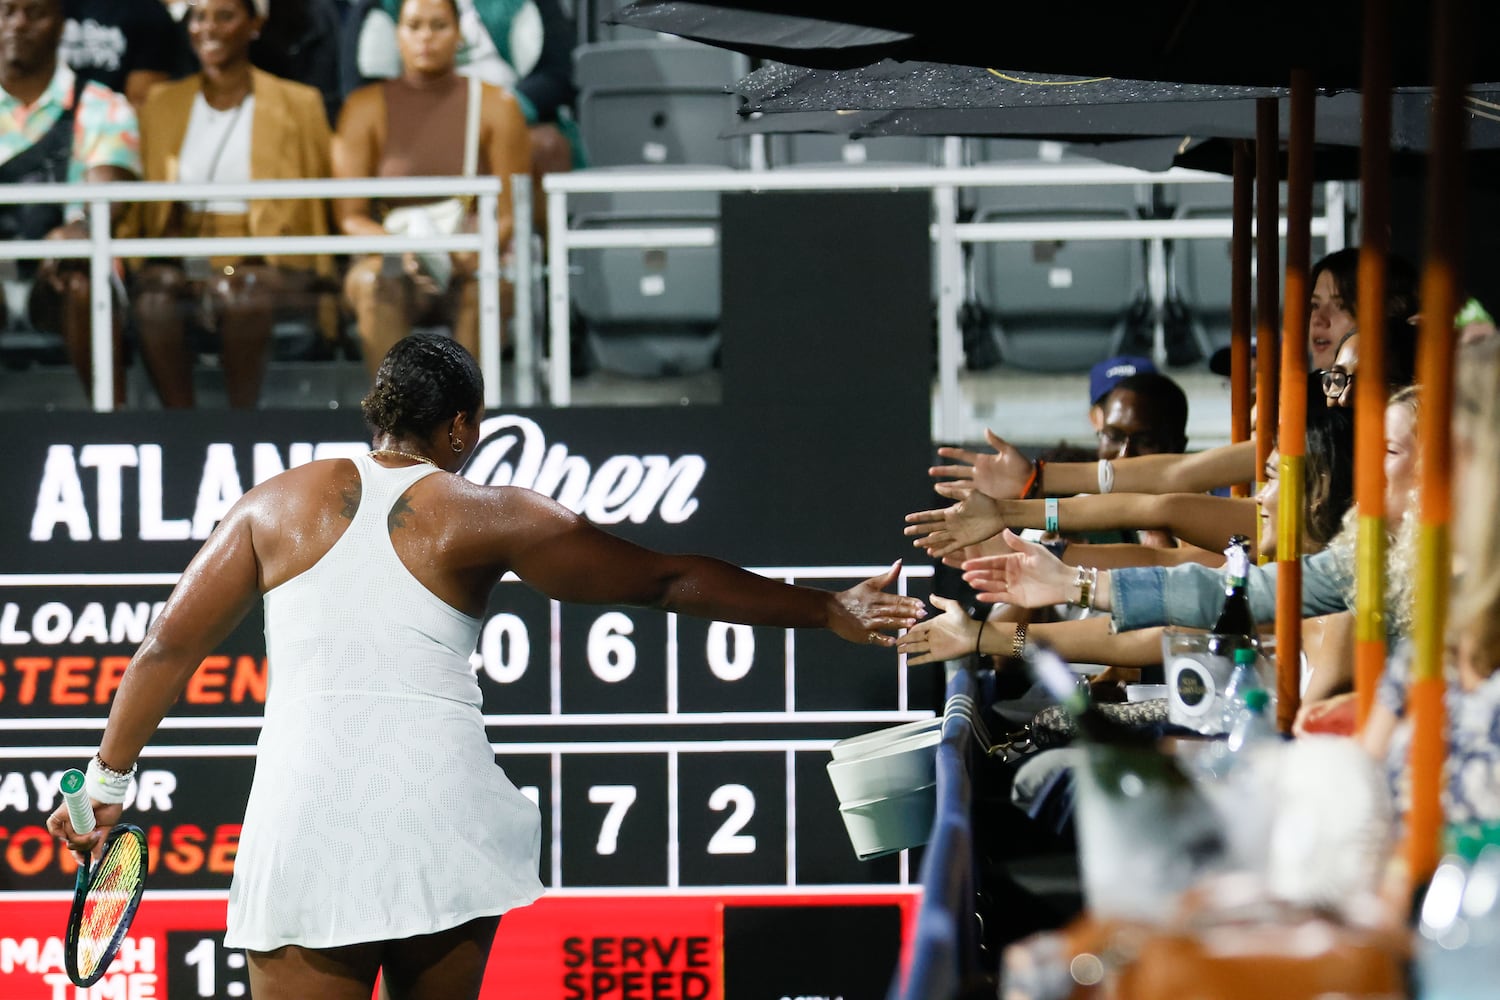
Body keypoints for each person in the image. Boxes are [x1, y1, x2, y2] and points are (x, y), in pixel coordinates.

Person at [45, 333, 925, 1000]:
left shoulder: (272, 505)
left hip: (305, 825)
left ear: (378, 412)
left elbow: (168, 644)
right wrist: (826, 608)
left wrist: (101, 782)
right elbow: (666, 578)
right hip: (441, 824)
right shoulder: (487, 514)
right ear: (461, 426)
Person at [126, 0, 336, 409]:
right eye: (200, 17)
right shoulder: (161, 104)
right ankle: (180, 424)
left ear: (254, 24)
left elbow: (315, 202)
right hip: (185, 252)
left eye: (225, 16)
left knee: (242, 292)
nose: (209, 28)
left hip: (268, 256)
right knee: (154, 296)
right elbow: (148, 212)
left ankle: (242, 423)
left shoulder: (299, 103)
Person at [335, 0, 532, 379]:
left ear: (459, 34)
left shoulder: (498, 106)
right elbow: (351, 217)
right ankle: (392, 418)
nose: (426, 37)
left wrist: (469, 255)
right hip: (394, 255)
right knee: (373, 283)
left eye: (438, 26)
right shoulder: (364, 107)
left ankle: (465, 417)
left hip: (469, 257)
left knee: (489, 287)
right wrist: (401, 250)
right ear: (397, 35)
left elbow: (510, 214)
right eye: (414, 26)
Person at [0, 0, 140, 404]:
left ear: (61, 25)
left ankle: (110, 421)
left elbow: (106, 198)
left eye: (34, 13)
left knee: (82, 278)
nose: (18, 24)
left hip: (56, 278)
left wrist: (77, 226)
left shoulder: (103, 105)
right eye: (7, 11)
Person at [61, 0, 184, 107]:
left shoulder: (152, 15)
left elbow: (140, 102)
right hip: (47, 107)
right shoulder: (51, 6)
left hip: (109, 125)